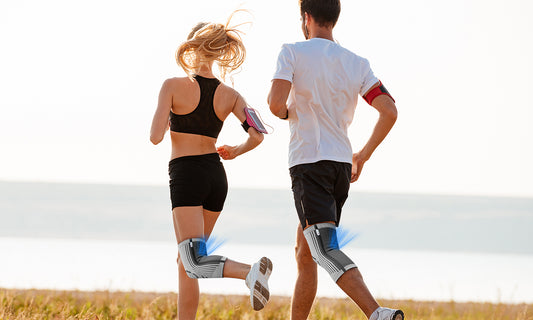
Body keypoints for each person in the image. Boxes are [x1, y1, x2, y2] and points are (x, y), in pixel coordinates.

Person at [268, 1, 404, 319]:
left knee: (323, 248)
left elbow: (275, 104)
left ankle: (377, 313)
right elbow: (389, 111)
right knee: (305, 252)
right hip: (341, 166)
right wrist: (363, 155)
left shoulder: (292, 52)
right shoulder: (356, 62)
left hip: (309, 163)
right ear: (335, 18)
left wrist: (288, 111)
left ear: (307, 17)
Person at [150, 13, 273, 319]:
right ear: (219, 52)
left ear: (192, 47)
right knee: (188, 261)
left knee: (191, 261)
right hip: (216, 176)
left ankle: (249, 272)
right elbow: (257, 136)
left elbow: (154, 138)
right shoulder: (231, 95)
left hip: (187, 175)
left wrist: (167, 120)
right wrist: (236, 150)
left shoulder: (172, 86)